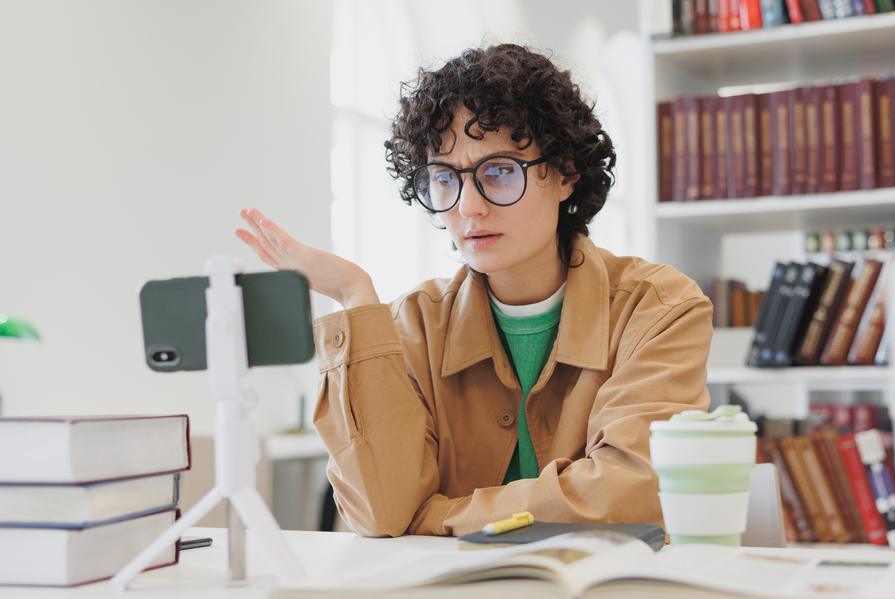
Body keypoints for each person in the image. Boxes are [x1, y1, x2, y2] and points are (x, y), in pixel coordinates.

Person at [235, 43, 712, 537]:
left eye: (500, 171)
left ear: (566, 173)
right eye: (445, 178)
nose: (469, 208)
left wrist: (439, 516)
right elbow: (381, 515)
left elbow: (629, 491)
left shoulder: (659, 309)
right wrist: (355, 297)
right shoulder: (412, 325)